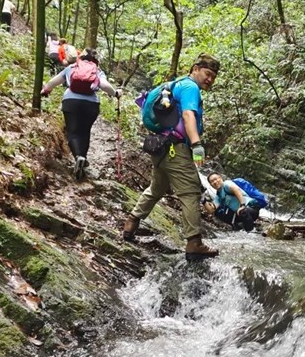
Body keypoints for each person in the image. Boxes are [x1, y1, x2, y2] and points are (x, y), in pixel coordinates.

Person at [122, 53, 220, 261]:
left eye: (214, 76)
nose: (210, 79)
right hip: (176, 149)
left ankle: (131, 223)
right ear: (195, 69)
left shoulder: (175, 85)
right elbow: (188, 115)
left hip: (160, 148)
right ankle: (194, 243)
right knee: (191, 192)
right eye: (207, 73)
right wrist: (196, 145)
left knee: (156, 188)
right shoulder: (190, 88)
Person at [40, 48, 120, 180]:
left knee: (72, 131)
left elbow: (53, 82)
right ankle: (83, 157)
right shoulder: (97, 71)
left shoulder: (71, 67)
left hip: (71, 102)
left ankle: (78, 156)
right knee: (85, 131)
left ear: (80, 58)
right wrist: (116, 93)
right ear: (96, 60)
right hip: (91, 104)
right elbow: (105, 86)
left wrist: (46, 90)